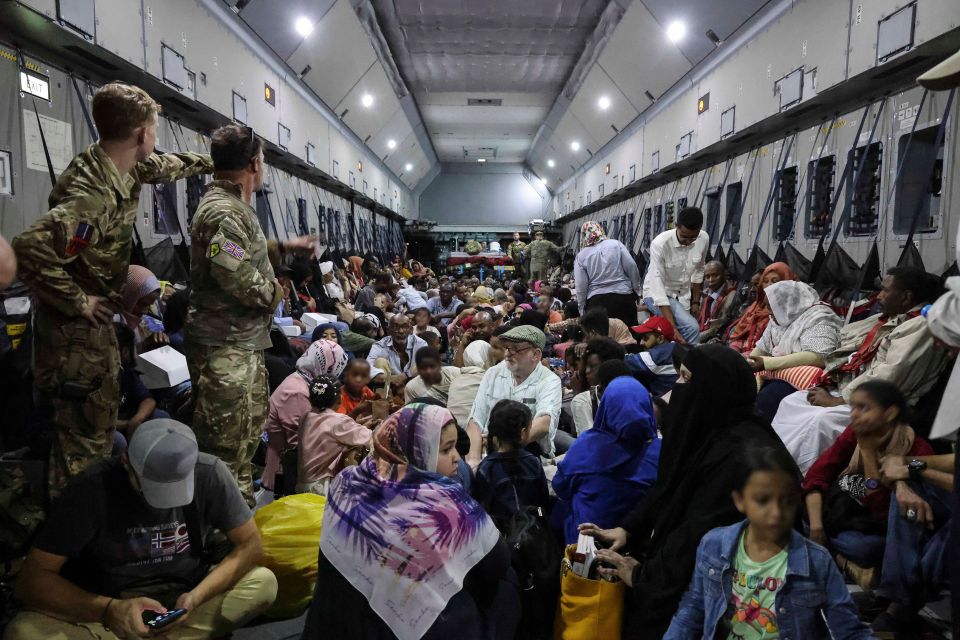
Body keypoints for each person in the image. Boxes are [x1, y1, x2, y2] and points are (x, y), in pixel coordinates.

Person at [13, 82, 213, 495]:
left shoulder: (121, 164)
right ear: (141, 134)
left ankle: (86, 529)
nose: (155, 142)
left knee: (95, 440)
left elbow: (167, 165)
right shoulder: (95, 195)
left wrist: (213, 161)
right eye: (154, 131)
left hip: (95, 330)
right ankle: (68, 545)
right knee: (80, 453)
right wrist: (78, 299)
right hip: (74, 336)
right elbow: (29, 247)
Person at [579, 345, 792, 639]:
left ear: (712, 390)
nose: (676, 388)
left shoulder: (745, 459)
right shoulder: (715, 432)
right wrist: (628, 528)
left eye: (685, 378)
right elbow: (670, 485)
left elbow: (698, 533)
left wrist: (641, 576)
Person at [6, 419, 278, 640]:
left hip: (181, 598)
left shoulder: (210, 472)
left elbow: (250, 546)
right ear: (126, 463)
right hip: (110, 601)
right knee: (23, 632)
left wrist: (196, 597)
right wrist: (109, 610)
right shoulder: (91, 489)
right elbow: (31, 582)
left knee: (264, 583)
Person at [300, 404, 518, 640]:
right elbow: (498, 562)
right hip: (408, 629)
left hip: (335, 622)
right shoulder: (444, 507)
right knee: (508, 585)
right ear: (417, 452)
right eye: (445, 449)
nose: (457, 458)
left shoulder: (347, 482)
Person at [184, 124, 315, 507]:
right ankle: (224, 539)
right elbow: (230, 264)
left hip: (236, 343)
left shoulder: (229, 208)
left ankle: (234, 524)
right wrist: (274, 291)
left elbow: (237, 252)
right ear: (255, 163)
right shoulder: (225, 211)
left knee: (240, 443)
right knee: (226, 450)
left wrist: (280, 247)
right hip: (225, 347)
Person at [661, 447, 873, 640]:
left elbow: (849, 629)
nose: (776, 513)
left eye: (786, 501)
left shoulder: (816, 561)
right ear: (740, 500)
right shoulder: (714, 546)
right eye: (762, 500)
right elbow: (692, 611)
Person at [803, 380, 949, 633]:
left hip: (878, 529)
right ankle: (886, 593)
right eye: (854, 407)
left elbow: (878, 499)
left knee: (866, 547)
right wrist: (816, 527)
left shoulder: (915, 448)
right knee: (802, 511)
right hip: (848, 513)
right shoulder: (854, 435)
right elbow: (817, 476)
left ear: (890, 413)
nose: (854, 414)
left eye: (864, 408)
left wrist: (871, 462)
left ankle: (891, 599)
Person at [772, 267, 948, 473]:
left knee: (820, 421)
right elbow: (848, 343)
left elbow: (889, 376)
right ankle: (776, 462)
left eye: (884, 291)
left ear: (906, 296)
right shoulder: (891, 318)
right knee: (791, 402)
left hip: (881, 403)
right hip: (855, 389)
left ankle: (802, 475)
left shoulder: (921, 326)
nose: (878, 296)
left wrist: (838, 400)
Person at [553, 377, 661, 545]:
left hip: (584, 546)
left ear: (606, 407)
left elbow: (560, 487)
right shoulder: (661, 452)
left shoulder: (587, 446)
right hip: (635, 545)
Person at [262, 339, 349, 492]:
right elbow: (300, 441)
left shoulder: (305, 381)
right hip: (286, 472)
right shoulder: (297, 392)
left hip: (297, 465)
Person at [467, 326, 563, 463]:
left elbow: (543, 423)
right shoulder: (493, 374)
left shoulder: (549, 381)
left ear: (535, 354)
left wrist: (503, 445)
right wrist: (474, 461)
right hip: (488, 450)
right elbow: (475, 420)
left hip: (528, 454)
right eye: (507, 348)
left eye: (515, 349)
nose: (507, 354)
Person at [749, 280, 842, 419]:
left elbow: (820, 355)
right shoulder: (779, 317)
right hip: (780, 373)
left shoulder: (819, 317)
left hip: (810, 381)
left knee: (765, 400)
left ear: (787, 303)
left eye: (772, 306)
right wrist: (747, 363)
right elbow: (762, 347)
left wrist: (768, 363)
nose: (768, 311)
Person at [472, 399, 550, 524]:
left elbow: (483, 511)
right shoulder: (533, 462)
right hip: (534, 533)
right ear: (523, 433)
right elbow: (543, 503)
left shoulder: (485, 469)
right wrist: (541, 520)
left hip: (501, 536)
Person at [296, 374, 374, 496]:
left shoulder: (305, 417)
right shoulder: (339, 422)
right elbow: (372, 439)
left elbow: (332, 429)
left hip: (302, 485)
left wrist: (360, 422)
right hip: (322, 488)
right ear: (339, 399)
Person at [642, 207, 709, 345]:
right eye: (684, 237)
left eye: (693, 238)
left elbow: (699, 269)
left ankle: (677, 361)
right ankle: (688, 363)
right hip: (655, 294)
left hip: (683, 296)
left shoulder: (703, 238)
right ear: (677, 226)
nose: (688, 242)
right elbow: (657, 286)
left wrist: (696, 301)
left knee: (680, 333)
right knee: (690, 328)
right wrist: (672, 328)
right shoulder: (660, 244)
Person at [573, 220, 644, 329]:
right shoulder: (616, 244)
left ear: (584, 235)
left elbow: (581, 285)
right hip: (623, 298)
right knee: (629, 334)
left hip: (597, 303)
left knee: (603, 340)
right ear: (600, 230)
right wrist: (638, 290)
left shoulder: (581, 256)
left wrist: (582, 308)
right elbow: (631, 266)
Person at [725, 262, 798, 354]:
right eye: (765, 281)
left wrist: (746, 357)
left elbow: (773, 348)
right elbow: (740, 335)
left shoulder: (792, 311)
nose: (769, 285)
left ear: (786, 281)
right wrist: (734, 351)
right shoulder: (756, 306)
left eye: (775, 281)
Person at [570, 338, 626, 434]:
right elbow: (586, 439)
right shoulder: (584, 400)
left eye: (592, 366)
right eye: (586, 366)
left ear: (609, 366)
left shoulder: (632, 394)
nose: (587, 371)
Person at [367, 313, 428, 392]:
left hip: (413, 386)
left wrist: (405, 376)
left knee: (422, 363)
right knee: (380, 362)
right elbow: (367, 370)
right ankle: (384, 400)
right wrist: (392, 379)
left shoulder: (420, 343)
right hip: (390, 387)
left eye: (405, 327)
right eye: (396, 327)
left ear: (410, 330)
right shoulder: (380, 346)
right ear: (388, 330)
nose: (401, 331)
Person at [625, 316, 680, 397]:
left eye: (645, 338)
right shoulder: (677, 348)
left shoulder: (659, 355)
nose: (641, 343)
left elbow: (620, 363)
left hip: (668, 406)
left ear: (660, 339)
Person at [119, 265, 168, 352]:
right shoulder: (109, 323)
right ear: (128, 296)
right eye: (143, 305)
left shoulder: (141, 323)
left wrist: (148, 344)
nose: (145, 311)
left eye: (149, 306)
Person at [448, 340, 494, 431]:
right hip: (475, 435)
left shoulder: (456, 380)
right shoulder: (488, 380)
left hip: (454, 431)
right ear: (486, 357)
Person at [697, 260, 741, 343]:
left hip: (719, 338)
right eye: (707, 276)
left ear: (724, 275)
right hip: (702, 333)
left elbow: (720, 326)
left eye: (715, 275)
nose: (711, 280)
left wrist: (695, 338)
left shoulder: (732, 296)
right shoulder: (705, 294)